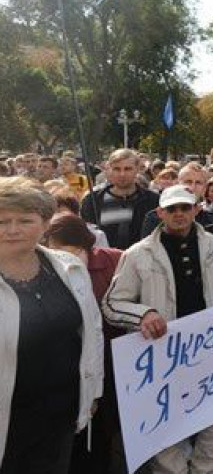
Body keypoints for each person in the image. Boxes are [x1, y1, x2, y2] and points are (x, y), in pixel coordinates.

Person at [102, 184, 213, 473]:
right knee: (165, 418)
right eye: (172, 209)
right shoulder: (138, 254)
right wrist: (143, 314)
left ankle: (205, 468)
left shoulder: (211, 243)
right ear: (160, 213)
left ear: (197, 209)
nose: (179, 214)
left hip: (208, 343)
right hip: (162, 352)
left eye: (185, 207)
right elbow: (111, 304)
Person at [0, 177, 104, 474]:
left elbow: (92, 330)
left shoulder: (69, 268)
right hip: (8, 420)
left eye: (24, 220)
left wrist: (92, 391)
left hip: (62, 412)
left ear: (46, 224)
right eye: (2, 220)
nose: (12, 230)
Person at [44, 213, 123, 474]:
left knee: (103, 429)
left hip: (108, 363)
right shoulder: (43, 270)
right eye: (58, 252)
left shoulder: (116, 260)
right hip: (65, 370)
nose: (66, 260)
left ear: (88, 247)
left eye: (73, 252)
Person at [81, 148, 160, 249]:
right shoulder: (92, 201)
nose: (122, 174)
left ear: (137, 169)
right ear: (109, 169)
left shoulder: (153, 200)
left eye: (127, 169)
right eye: (117, 169)